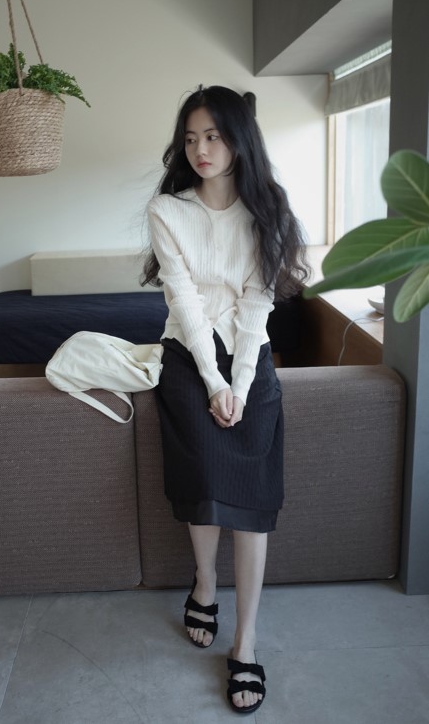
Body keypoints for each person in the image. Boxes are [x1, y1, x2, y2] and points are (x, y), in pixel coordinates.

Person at [142, 85, 308, 715]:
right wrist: (213, 383)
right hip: (189, 355)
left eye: (213, 135)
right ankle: (206, 584)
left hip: (249, 355)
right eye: (191, 138)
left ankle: (246, 642)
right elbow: (184, 302)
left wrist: (238, 385)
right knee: (208, 478)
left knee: (254, 499)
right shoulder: (168, 210)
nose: (201, 149)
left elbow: (257, 303)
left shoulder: (269, 210)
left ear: (239, 139)